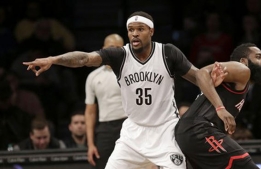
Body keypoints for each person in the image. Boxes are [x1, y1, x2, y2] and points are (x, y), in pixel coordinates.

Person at [23, 11, 225, 168]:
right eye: (131, 29)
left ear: (151, 31)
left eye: (140, 29)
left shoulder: (168, 53)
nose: (135, 33)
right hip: (133, 132)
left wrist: (219, 105)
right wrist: (53, 60)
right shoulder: (120, 55)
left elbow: (198, 76)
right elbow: (84, 58)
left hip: (165, 130)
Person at [175, 43, 261, 169]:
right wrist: (220, 108)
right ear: (243, 61)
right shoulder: (242, 69)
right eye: (258, 57)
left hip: (189, 132)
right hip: (198, 129)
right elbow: (201, 73)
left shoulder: (231, 81)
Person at [85, 33, 127, 168]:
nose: (114, 51)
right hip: (105, 128)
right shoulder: (93, 77)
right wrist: (91, 144)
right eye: (111, 47)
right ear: (103, 49)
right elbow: (90, 112)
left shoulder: (132, 73)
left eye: (118, 47)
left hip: (128, 125)